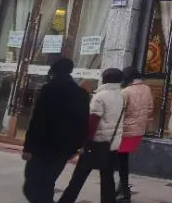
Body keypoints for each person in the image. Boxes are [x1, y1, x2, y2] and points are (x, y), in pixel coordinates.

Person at [22, 58, 89, 203]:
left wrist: (28, 147)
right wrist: (76, 147)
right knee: (48, 181)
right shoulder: (81, 93)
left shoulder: (49, 89)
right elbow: (83, 123)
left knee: (33, 183)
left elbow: (38, 120)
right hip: (64, 147)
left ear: (54, 70)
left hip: (43, 146)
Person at [59, 68, 125, 203]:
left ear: (104, 79)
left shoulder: (100, 96)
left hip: (96, 143)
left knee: (78, 177)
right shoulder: (121, 96)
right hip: (112, 143)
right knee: (108, 179)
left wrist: (85, 141)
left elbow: (93, 121)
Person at [116, 66, 153, 202]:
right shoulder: (147, 89)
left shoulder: (125, 91)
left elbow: (119, 112)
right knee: (123, 160)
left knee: (121, 162)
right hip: (138, 131)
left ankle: (124, 192)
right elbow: (150, 109)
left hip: (125, 131)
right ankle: (122, 188)